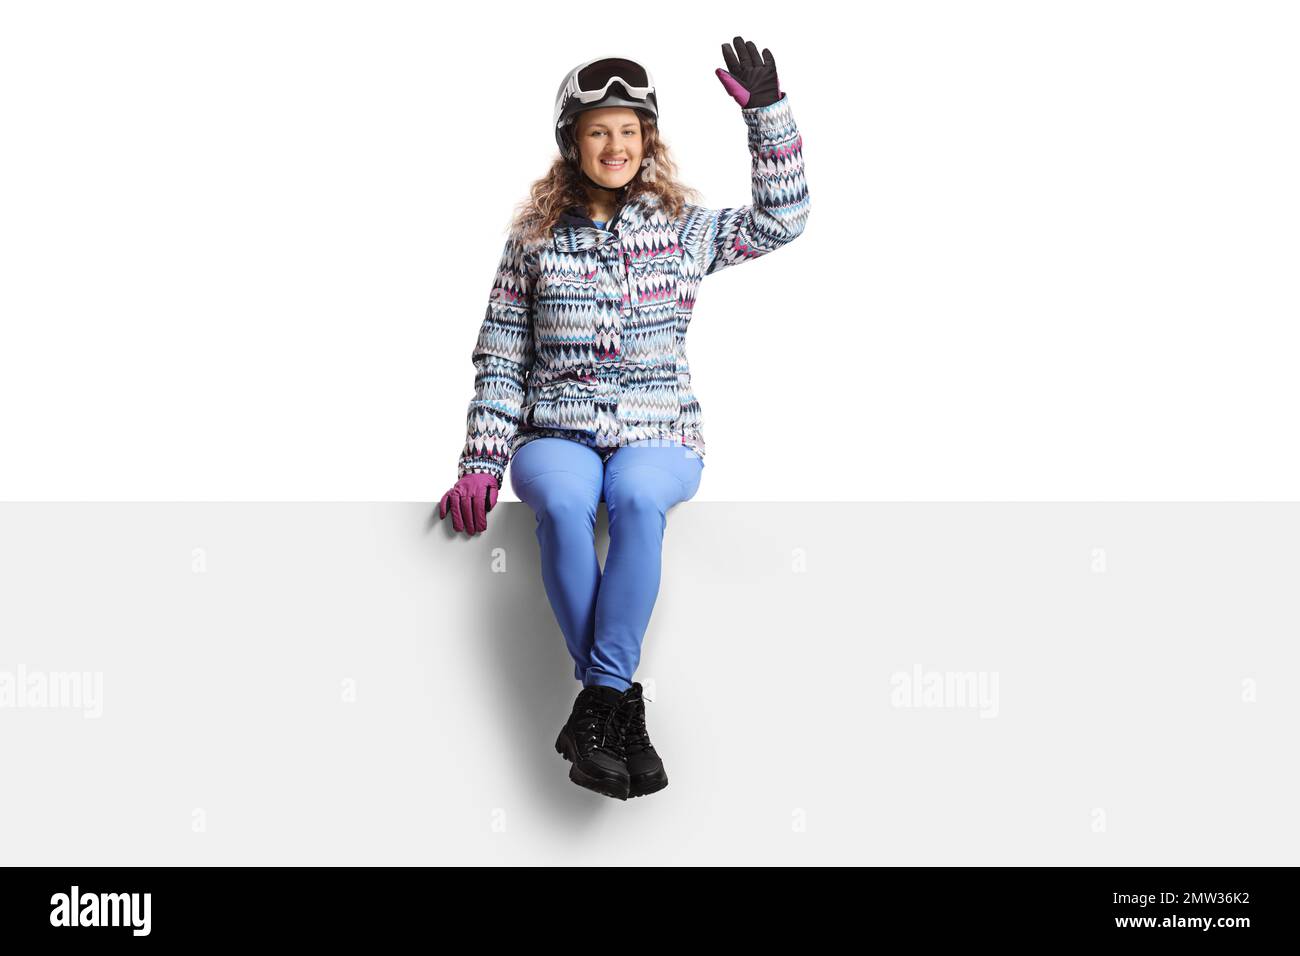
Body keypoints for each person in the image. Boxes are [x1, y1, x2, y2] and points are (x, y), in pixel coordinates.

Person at [438, 38, 809, 800]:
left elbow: (783, 218)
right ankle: (617, 706)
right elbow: (502, 357)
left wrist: (768, 115)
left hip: (658, 430)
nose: (616, 145)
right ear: (572, 142)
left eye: (630, 130)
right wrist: (480, 459)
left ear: (649, 141)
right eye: (599, 130)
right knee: (565, 501)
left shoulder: (682, 230)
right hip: (557, 432)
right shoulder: (533, 240)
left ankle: (600, 704)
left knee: (639, 500)